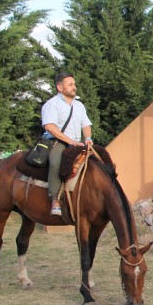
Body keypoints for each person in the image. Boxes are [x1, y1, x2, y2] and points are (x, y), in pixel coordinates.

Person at [41, 73, 93, 216]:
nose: (74, 87)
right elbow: (50, 127)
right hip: (58, 142)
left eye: (74, 84)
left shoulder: (79, 105)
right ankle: (55, 200)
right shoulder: (52, 104)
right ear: (60, 87)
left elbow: (86, 124)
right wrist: (70, 141)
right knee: (56, 163)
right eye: (70, 85)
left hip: (77, 143)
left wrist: (88, 138)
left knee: (96, 161)